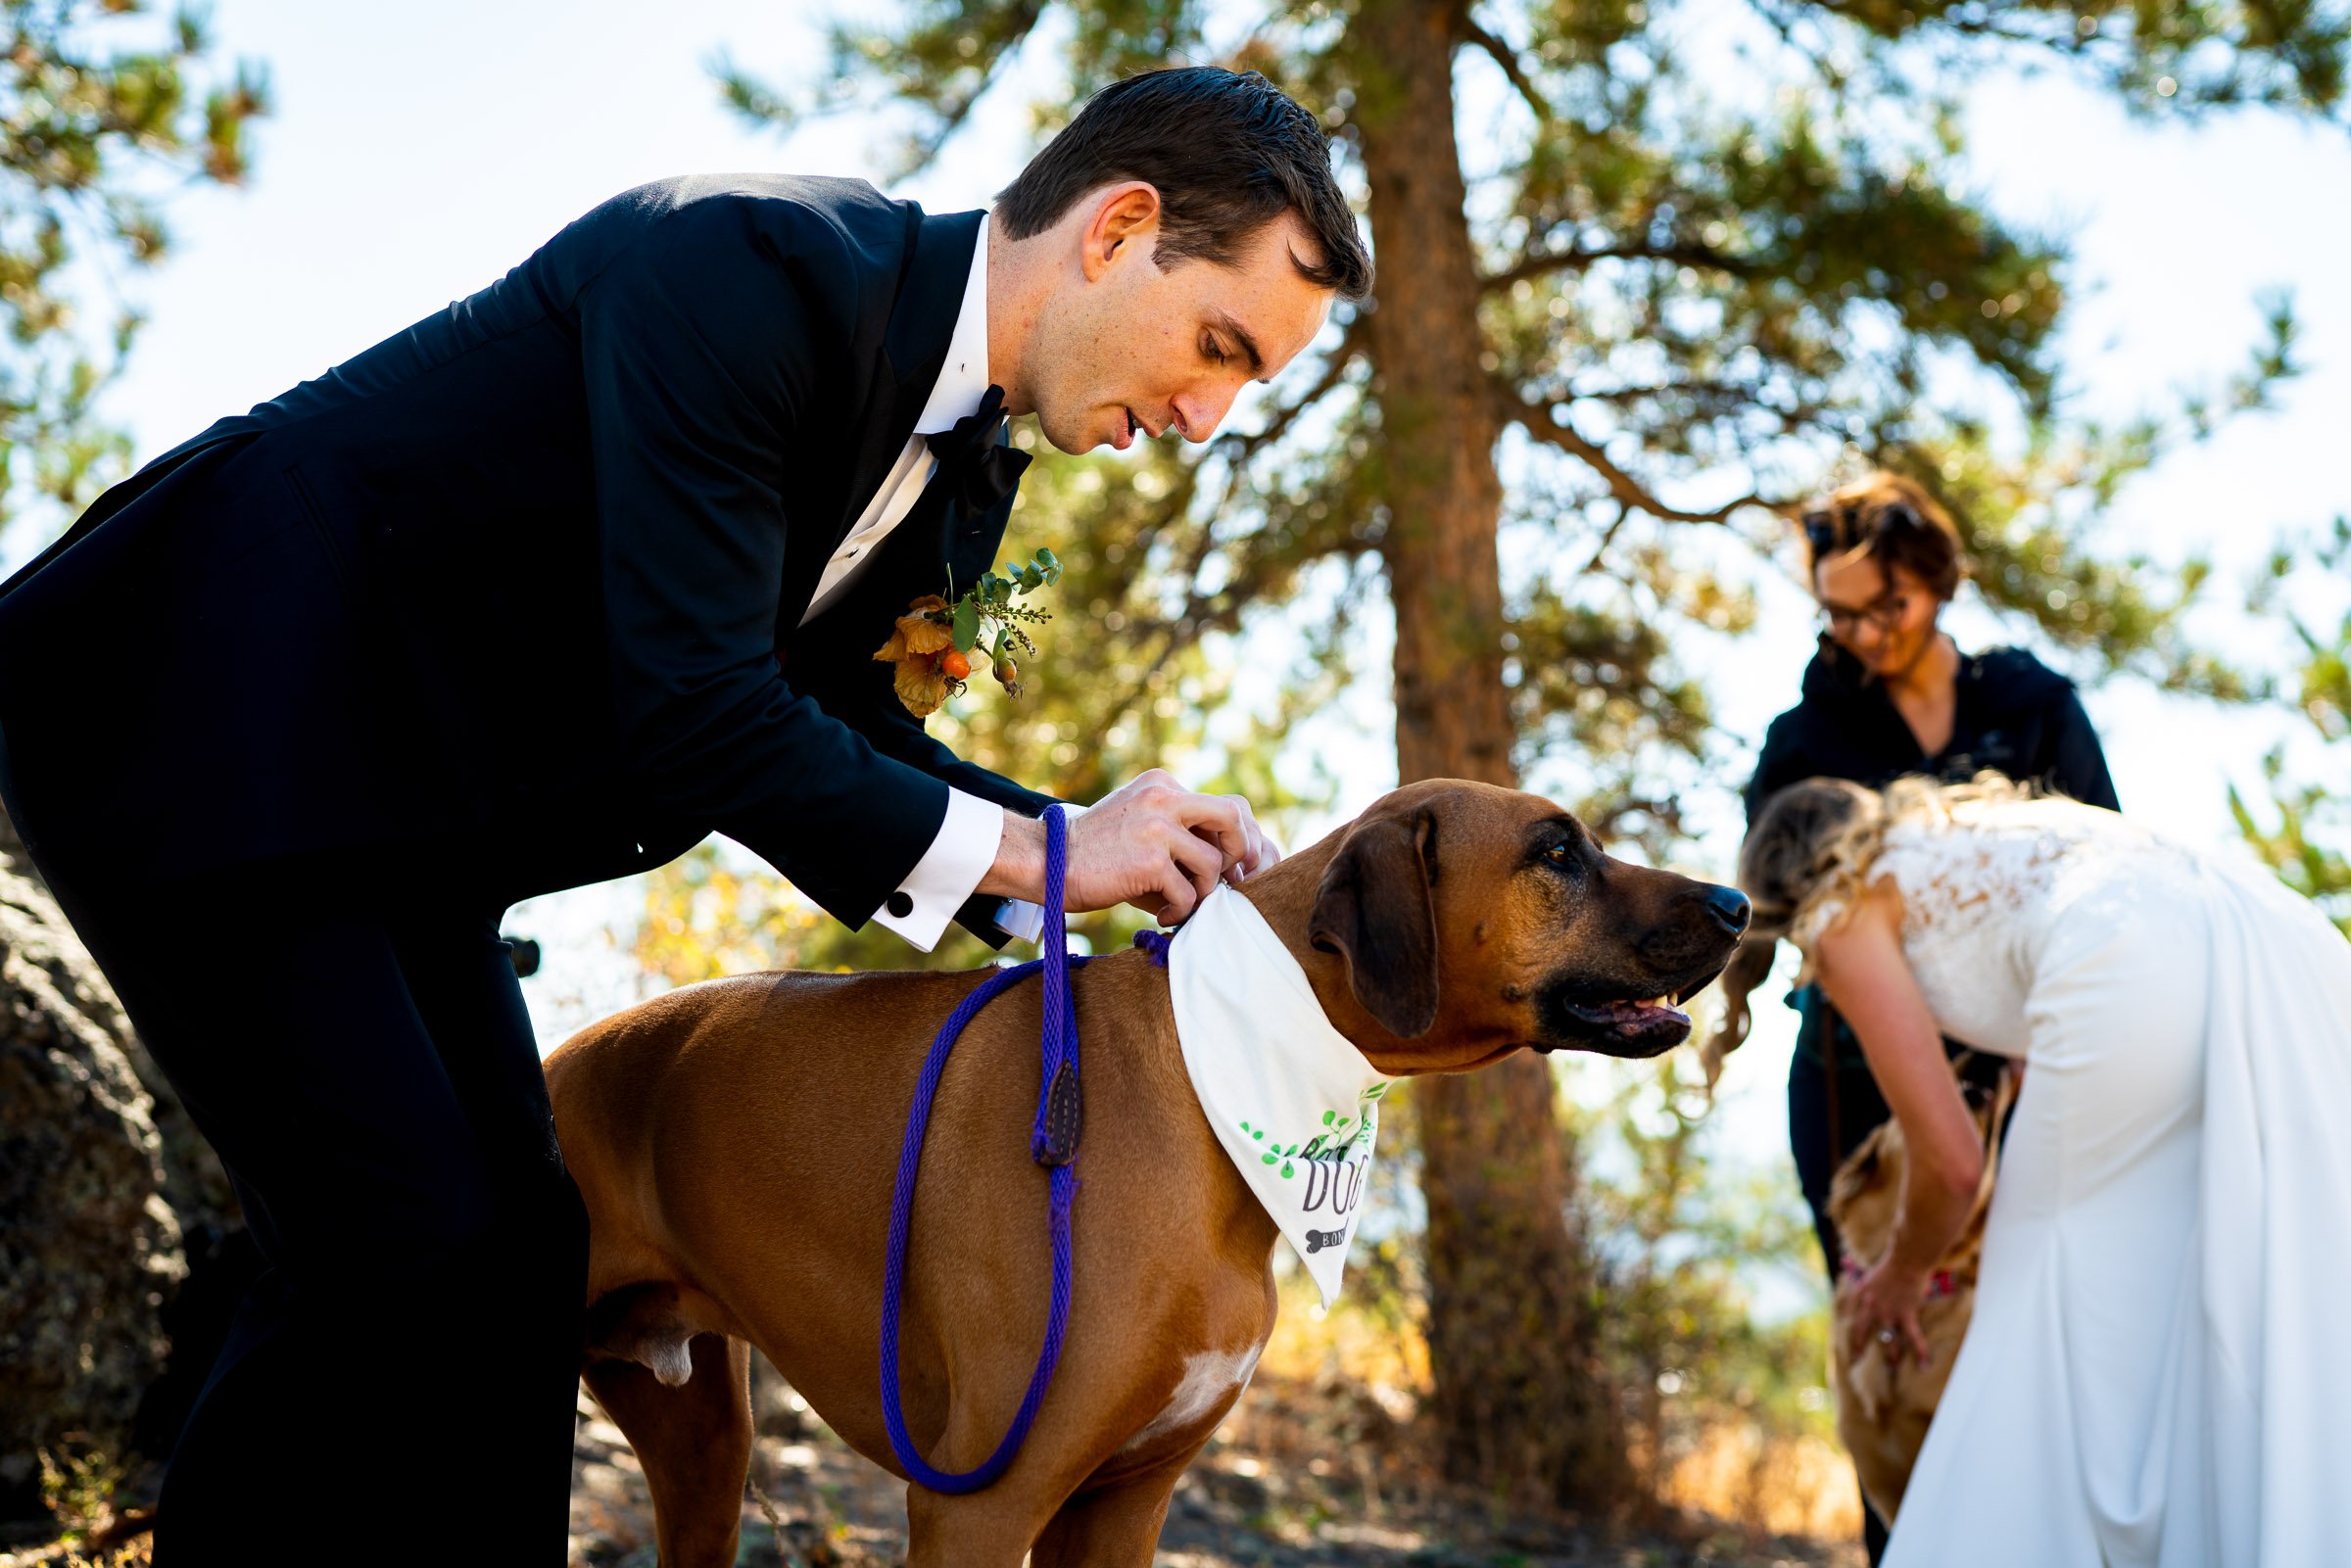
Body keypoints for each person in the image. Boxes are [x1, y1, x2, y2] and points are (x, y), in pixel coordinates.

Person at [0, 67, 1371, 1563]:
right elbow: (704, 710)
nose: (1204, 417)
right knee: (398, 1234)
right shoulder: (746, 266)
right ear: (1118, 229)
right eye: (1220, 347)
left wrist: (1088, 857)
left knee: (525, 1252)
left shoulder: (968, 478)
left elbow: (834, 737)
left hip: (402, 833)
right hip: (197, 701)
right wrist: (1051, 850)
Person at [1712, 775, 2351, 1565]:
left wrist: (1903, 1274)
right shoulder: (1980, 831)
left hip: (2133, 956)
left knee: (2034, 1287)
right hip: (2283, 938)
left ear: (1782, 888)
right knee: (2220, 1266)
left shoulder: (1842, 912)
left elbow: (1950, 1162)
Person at [1732, 472, 2120, 1556]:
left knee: (2030, 1346)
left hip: (2028, 1076)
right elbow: (1775, 914)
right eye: (1838, 611)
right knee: (1892, 1342)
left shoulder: (2034, 704)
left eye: (1883, 606)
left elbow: (2100, 876)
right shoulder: (1802, 737)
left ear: (1938, 584)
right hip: (1854, 1083)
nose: (1861, 632)